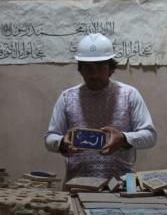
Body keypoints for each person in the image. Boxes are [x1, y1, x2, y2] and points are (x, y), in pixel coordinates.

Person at [44, 33, 157, 184]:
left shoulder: (129, 94)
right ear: (80, 70)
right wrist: (62, 143)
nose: (94, 74)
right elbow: (50, 138)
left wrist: (123, 139)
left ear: (111, 68)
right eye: (88, 68)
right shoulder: (67, 97)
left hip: (123, 186)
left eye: (101, 67)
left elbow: (150, 136)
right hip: (78, 185)